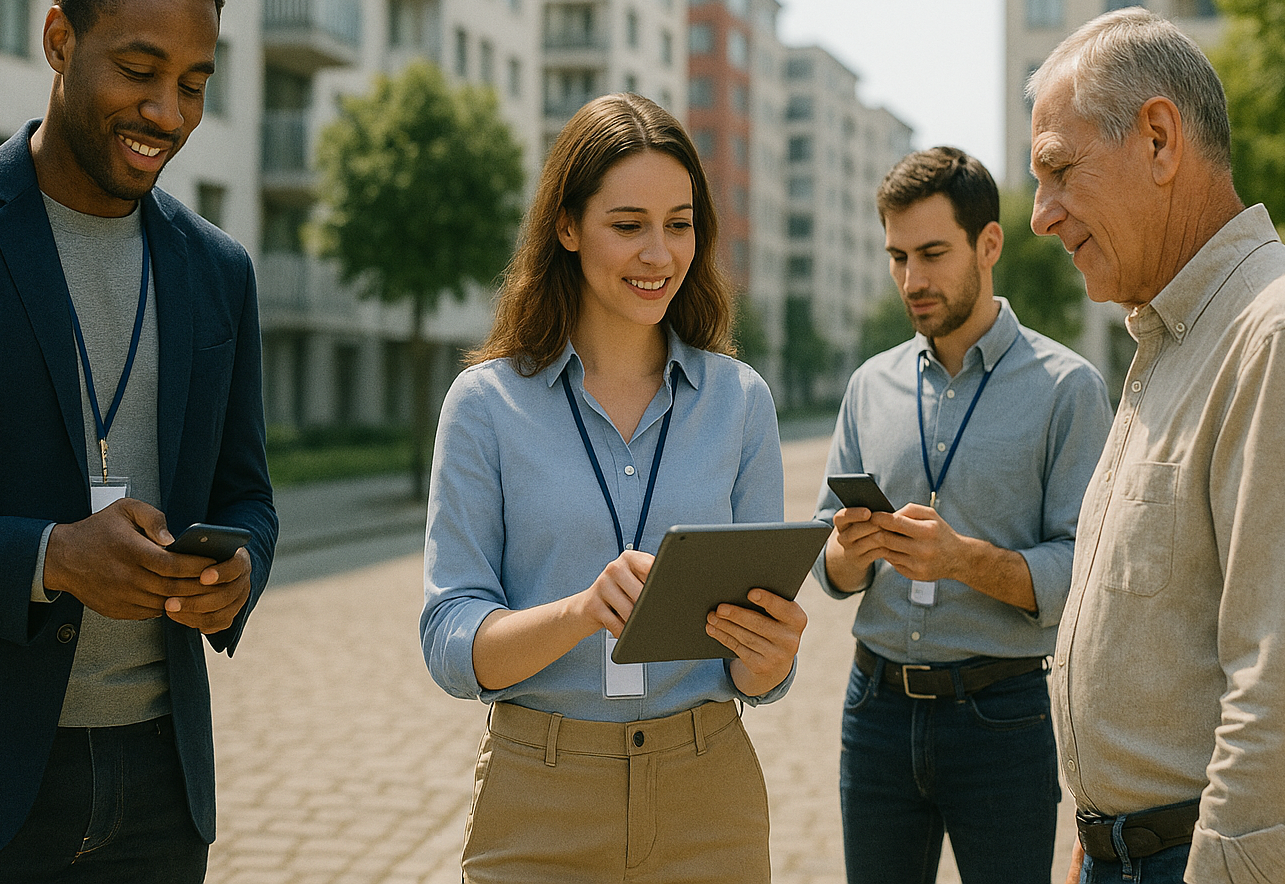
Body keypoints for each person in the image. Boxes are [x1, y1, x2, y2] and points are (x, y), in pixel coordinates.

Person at [0, 0, 276, 881]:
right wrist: (47, 557)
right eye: (139, 71)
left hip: (160, 795)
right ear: (59, 39)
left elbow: (248, 495)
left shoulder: (220, 273)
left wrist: (239, 573)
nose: (168, 113)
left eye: (193, 84)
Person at [1029, 8, 1285, 884]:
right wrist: (1103, 827)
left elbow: (1284, 698)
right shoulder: (1179, 336)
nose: (1042, 215)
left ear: (1159, 139)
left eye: (1058, 169)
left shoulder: (1284, 336)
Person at [420, 93, 806, 883]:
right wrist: (580, 612)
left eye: (679, 224)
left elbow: (756, 671)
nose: (658, 254)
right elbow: (451, 642)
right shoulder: (485, 405)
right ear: (567, 226)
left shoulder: (741, 402)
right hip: (539, 800)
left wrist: (771, 658)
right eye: (628, 225)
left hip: (709, 797)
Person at [813, 145, 1112, 884]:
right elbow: (828, 563)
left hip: (1002, 716)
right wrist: (850, 553)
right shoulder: (868, 386)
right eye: (898, 257)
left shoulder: (1067, 389)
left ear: (989, 244)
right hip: (874, 711)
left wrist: (959, 559)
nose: (912, 280)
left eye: (932, 254)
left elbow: (1085, 574)